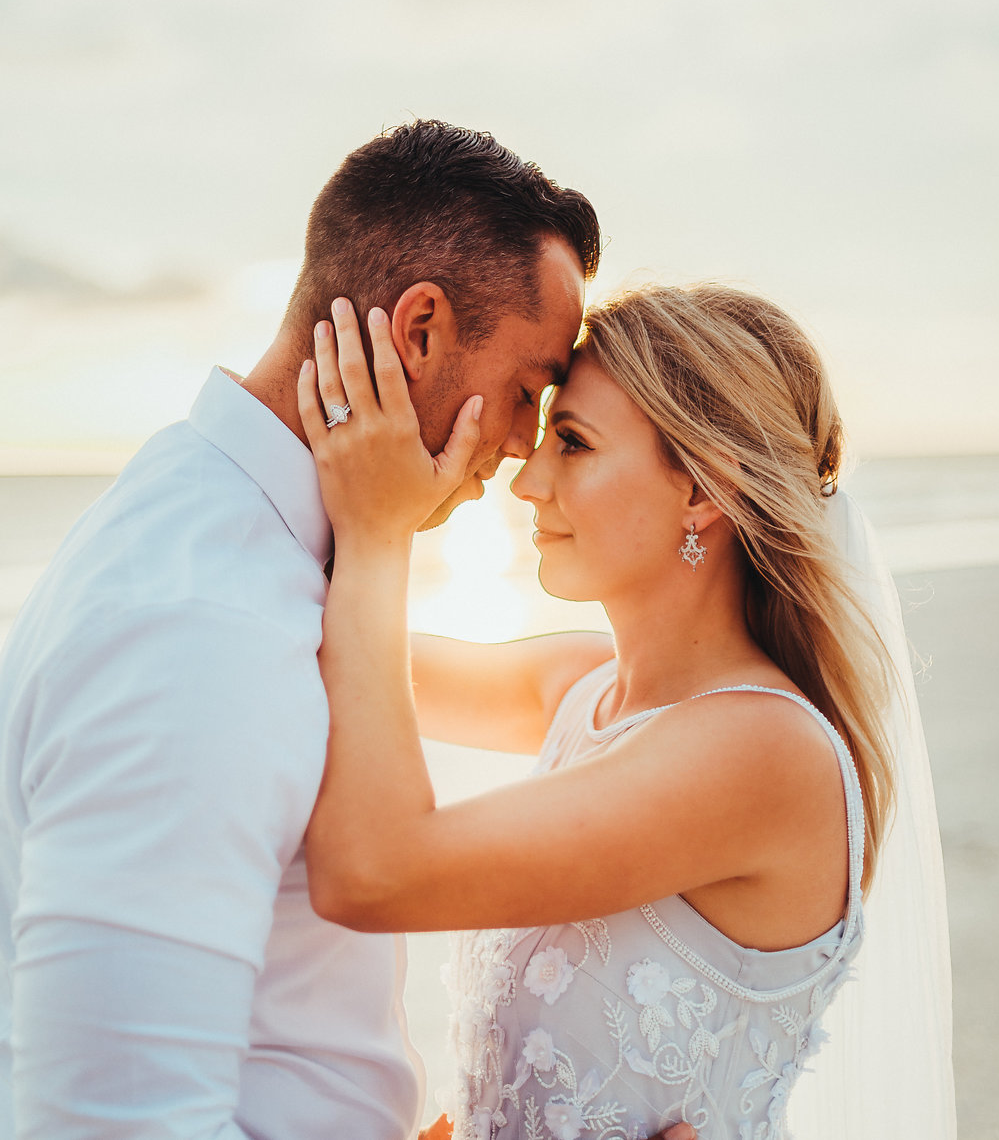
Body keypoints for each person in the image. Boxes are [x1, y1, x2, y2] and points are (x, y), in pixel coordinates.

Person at [0, 121, 642, 1140]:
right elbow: (112, 1125)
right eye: (527, 389)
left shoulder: (220, 533)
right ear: (419, 329)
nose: (523, 447)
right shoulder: (196, 624)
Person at [297, 282, 955, 1139]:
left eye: (571, 444)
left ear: (702, 491)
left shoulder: (762, 751)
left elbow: (371, 873)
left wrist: (380, 529)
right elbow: (327, 651)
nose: (526, 481)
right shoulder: (581, 688)